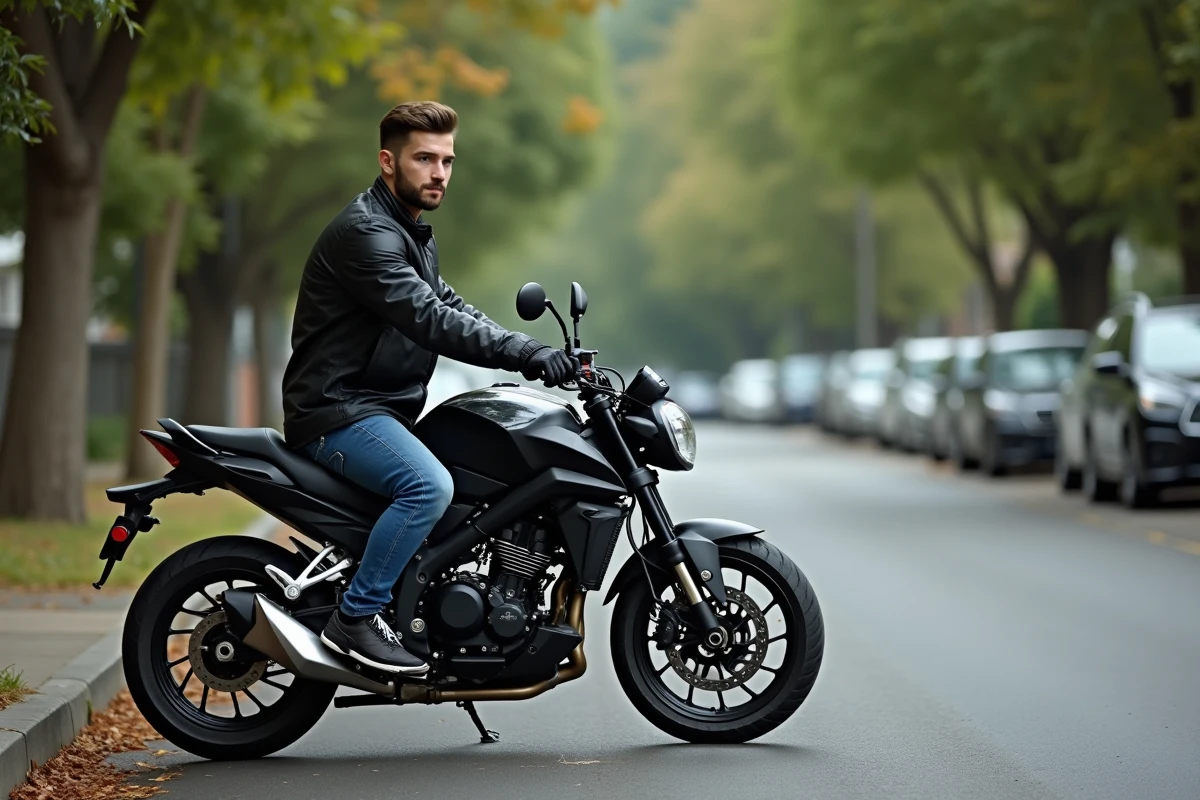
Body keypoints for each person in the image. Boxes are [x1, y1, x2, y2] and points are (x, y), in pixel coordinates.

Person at [281, 101, 576, 676]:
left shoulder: (409, 231)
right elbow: (428, 318)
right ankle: (356, 619)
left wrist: (533, 350)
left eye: (447, 160)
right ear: (388, 162)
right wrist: (526, 355)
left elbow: (449, 304)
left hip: (377, 410)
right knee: (427, 488)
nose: (439, 172)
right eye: (424, 158)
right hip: (337, 411)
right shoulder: (366, 234)